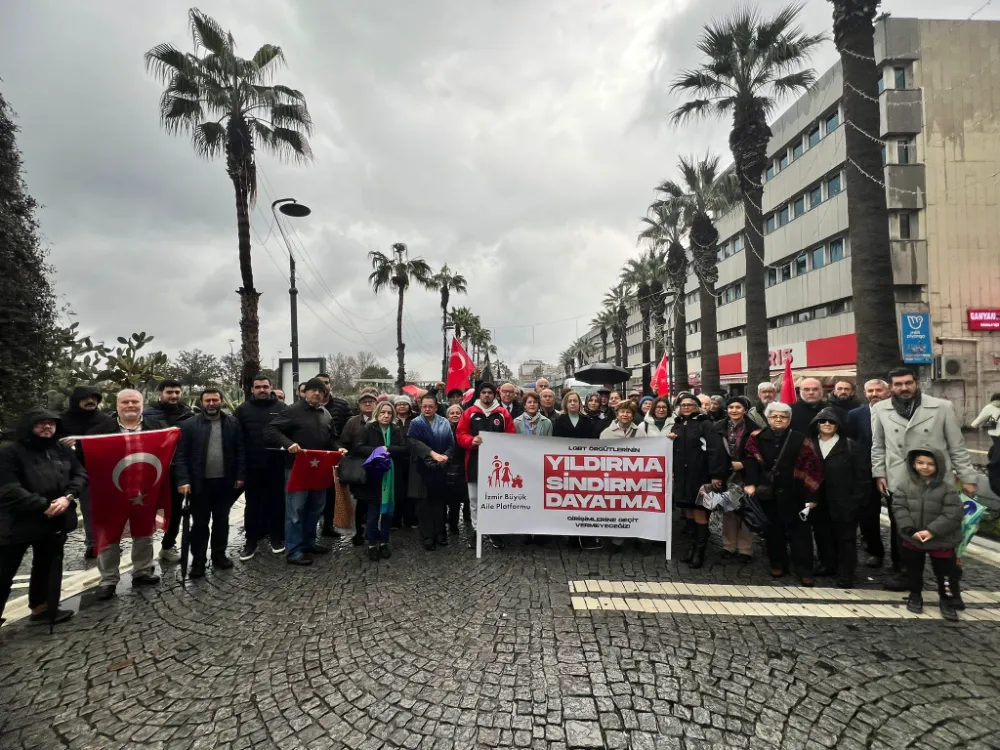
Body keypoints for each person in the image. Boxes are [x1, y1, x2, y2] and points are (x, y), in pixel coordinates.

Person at [871, 367, 978, 590]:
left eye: (908, 383)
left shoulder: (942, 407)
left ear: (916, 383)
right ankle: (905, 573)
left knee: (943, 526)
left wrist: (967, 477)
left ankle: (947, 574)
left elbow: (956, 446)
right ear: (890, 387)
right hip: (900, 479)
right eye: (898, 384)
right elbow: (878, 445)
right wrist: (879, 472)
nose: (904, 388)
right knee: (902, 528)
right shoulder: (880, 409)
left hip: (936, 480)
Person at [0, 409, 86, 628]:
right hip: (16, 521)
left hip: (54, 519)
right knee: (4, 571)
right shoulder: (10, 453)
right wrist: (43, 505)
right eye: (41, 423)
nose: (47, 427)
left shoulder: (62, 449)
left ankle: (42, 608)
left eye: (51, 423)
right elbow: (9, 488)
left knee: (46, 566)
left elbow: (80, 474)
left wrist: (68, 497)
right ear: (29, 425)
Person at [87, 390, 167, 599]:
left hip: (145, 491)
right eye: (125, 402)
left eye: (134, 402)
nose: (130, 405)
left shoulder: (157, 427)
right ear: (117, 406)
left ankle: (142, 571)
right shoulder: (101, 430)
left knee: (144, 533)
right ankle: (108, 580)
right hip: (111, 493)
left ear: (142, 404)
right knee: (108, 536)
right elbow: (86, 459)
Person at [743, 402, 824, 586]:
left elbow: (812, 467)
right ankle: (777, 564)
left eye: (783, 416)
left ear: (789, 419)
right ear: (768, 418)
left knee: (800, 533)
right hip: (768, 492)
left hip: (795, 493)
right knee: (773, 531)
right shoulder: (757, 437)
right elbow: (750, 460)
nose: (778, 419)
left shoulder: (800, 438)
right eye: (774, 416)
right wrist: (751, 483)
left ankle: (804, 570)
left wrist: (811, 496)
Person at [265, 378, 343, 567]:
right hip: (296, 468)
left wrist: (338, 448)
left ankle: (308, 543)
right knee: (296, 511)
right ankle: (294, 551)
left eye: (321, 391)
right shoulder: (293, 410)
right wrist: (288, 443)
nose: (317, 393)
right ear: (305, 392)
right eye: (313, 390)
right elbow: (272, 429)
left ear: (324, 395)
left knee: (315, 508)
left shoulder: (325, 413)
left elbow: (332, 438)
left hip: (319, 470)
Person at [173, 389, 246, 578]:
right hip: (199, 484)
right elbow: (180, 456)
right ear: (202, 402)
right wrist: (183, 480)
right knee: (199, 524)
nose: (211, 403)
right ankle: (198, 561)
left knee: (222, 521)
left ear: (222, 401)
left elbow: (240, 450)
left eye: (215, 400)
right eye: (208, 400)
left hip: (224, 482)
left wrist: (240, 475)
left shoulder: (232, 423)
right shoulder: (189, 425)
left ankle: (219, 555)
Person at [893, 449, 964, 620]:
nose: (925, 467)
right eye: (920, 463)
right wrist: (910, 530)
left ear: (938, 466)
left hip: (941, 540)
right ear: (913, 464)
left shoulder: (947, 489)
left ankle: (946, 600)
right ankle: (915, 595)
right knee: (913, 571)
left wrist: (932, 531)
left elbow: (953, 514)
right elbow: (899, 508)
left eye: (930, 464)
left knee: (945, 574)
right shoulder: (904, 486)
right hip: (913, 538)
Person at [808, 407, 870, 588]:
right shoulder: (809, 445)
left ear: (838, 425)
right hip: (818, 501)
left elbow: (862, 475)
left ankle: (846, 573)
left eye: (832, 421)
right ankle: (828, 564)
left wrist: (856, 501)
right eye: (823, 420)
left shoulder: (850, 446)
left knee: (846, 539)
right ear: (816, 424)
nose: (827, 424)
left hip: (844, 500)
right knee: (822, 535)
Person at [456, 382, 516, 548]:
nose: (487, 395)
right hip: (474, 462)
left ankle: (494, 530)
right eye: (484, 392)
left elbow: (511, 436)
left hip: (497, 465)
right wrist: (471, 441)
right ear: (479, 394)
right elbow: (460, 434)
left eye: (490, 392)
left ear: (494, 395)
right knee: (475, 499)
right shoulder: (469, 412)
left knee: (495, 498)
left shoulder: (503, 413)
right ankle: (477, 529)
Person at [670, 394, 726, 568]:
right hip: (682, 476)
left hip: (700, 476)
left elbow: (715, 450)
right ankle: (691, 547)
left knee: (700, 511)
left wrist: (716, 475)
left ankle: (700, 552)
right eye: (683, 405)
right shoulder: (677, 425)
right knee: (687, 511)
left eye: (690, 404)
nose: (686, 407)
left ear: (697, 406)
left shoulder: (706, 424)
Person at [235, 375, 287, 559]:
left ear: (271, 388)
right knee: (252, 506)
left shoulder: (282, 408)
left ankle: (277, 538)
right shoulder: (242, 409)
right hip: (252, 466)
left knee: (277, 504)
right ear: (252, 389)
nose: (262, 390)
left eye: (265, 386)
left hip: (276, 465)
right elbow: (237, 439)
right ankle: (251, 541)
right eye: (258, 387)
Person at [58, 385, 113, 559]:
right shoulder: (61, 420)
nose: (91, 401)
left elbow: (110, 444)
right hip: (66, 471)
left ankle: (99, 543)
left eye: (94, 398)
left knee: (96, 509)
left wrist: (82, 443)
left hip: (97, 470)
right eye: (86, 398)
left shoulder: (105, 421)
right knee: (64, 509)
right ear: (76, 401)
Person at [350, 402, 409, 561]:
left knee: (388, 512)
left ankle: (384, 542)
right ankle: (371, 544)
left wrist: (387, 448)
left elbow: (404, 449)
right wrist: (378, 450)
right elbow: (358, 448)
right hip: (373, 476)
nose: (386, 415)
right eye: (383, 412)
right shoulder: (368, 428)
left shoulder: (396, 430)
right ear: (377, 413)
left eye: (389, 413)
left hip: (391, 476)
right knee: (373, 513)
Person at [144, 379, 194, 565]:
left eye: (177, 392)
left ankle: (168, 546)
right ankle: (143, 556)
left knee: (174, 511)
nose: (174, 396)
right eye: (169, 392)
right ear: (160, 393)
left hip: (177, 472)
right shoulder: (147, 415)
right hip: (153, 471)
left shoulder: (189, 414)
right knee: (146, 511)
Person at [846, 379, 893, 569]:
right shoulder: (855, 415)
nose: (874, 394)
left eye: (878, 390)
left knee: (898, 515)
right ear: (864, 393)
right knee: (867, 514)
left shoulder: (897, 412)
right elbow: (851, 441)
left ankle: (900, 559)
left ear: (888, 391)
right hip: (865, 472)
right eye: (870, 391)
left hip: (893, 471)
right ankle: (875, 551)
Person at [408, 394, 455, 551]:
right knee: (424, 503)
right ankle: (427, 535)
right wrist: (432, 454)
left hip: (441, 466)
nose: (427, 409)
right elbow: (414, 442)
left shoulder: (444, 422)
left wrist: (446, 456)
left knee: (440, 501)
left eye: (430, 406)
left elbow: (451, 443)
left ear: (436, 407)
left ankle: (440, 533)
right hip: (421, 467)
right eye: (424, 406)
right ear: (421, 407)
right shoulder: (416, 423)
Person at [714, 396, 754, 563]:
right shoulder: (718, 427)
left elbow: (758, 455)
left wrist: (744, 464)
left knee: (746, 512)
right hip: (726, 475)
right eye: (731, 407)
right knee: (728, 512)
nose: (734, 410)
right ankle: (728, 545)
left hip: (745, 476)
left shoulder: (754, 429)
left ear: (744, 410)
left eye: (738, 407)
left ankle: (745, 548)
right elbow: (714, 452)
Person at [340, 389, 379, 546]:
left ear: (376, 404)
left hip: (377, 466)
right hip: (359, 466)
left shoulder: (382, 419)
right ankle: (358, 531)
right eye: (364, 402)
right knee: (360, 501)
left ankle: (372, 530)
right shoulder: (352, 422)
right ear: (359, 405)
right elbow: (344, 442)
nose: (368, 404)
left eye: (371, 402)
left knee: (375, 500)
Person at [316, 374, 350, 539]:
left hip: (336, 453)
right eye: (319, 383)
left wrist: (343, 447)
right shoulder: (308, 405)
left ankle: (328, 525)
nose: (323, 386)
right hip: (314, 455)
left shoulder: (341, 404)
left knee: (332, 491)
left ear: (330, 385)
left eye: (326, 383)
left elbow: (349, 425)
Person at [391, 395, 417, 528]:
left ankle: (410, 519)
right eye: (399, 404)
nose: (402, 406)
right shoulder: (390, 419)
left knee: (411, 490)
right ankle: (395, 520)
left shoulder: (415, 419)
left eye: (404, 404)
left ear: (409, 406)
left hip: (412, 459)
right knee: (397, 491)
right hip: (395, 459)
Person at [444, 404, 468, 531]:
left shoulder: (466, 429)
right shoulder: (443, 429)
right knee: (446, 498)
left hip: (462, 468)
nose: (455, 415)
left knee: (458, 498)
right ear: (447, 416)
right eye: (452, 413)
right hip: (446, 467)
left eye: (457, 413)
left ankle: (455, 524)